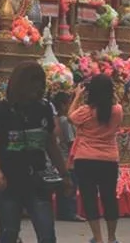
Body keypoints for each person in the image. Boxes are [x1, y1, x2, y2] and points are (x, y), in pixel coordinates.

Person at [0, 60, 70, 243]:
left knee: (47, 234)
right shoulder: (1, 110)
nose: (37, 87)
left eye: (40, 81)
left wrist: (64, 174)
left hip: (38, 180)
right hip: (9, 180)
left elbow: (50, 144)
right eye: (33, 81)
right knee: (9, 233)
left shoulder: (44, 108)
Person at [69, 74, 123, 243]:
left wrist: (77, 95)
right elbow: (115, 103)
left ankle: (98, 238)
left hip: (85, 158)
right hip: (108, 159)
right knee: (109, 197)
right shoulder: (117, 110)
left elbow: (70, 116)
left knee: (89, 198)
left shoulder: (86, 111)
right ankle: (112, 237)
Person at [50, 91, 79, 222]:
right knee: (70, 186)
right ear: (62, 105)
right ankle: (69, 212)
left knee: (63, 186)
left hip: (61, 157)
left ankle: (62, 211)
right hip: (68, 158)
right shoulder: (65, 121)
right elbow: (71, 142)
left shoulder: (58, 121)